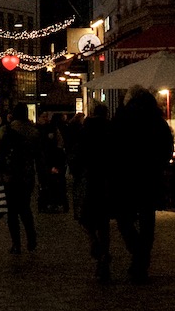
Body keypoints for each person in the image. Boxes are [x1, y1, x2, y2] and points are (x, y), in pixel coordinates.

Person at [110, 87, 174, 284]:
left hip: (126, 178)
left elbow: (112, 147)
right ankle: (142, 259)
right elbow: (167, 150)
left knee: (124, 219)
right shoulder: (158, 121)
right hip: (150, 178)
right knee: (148, 221)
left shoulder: (121, 119)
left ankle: (137, 252)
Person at [0, 104, 38, 254]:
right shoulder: (33, 132)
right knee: (25, 208)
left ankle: (16, 243)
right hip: (26, 175)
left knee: (11, 211)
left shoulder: (6, 130)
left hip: (9, 175)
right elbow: (39, 155)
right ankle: (31, 239)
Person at [73, 103, 113, 281]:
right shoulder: (111, 132)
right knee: (103, 222)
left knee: (85, 216)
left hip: (88, 179)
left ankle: (94, 242)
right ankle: (103, 254)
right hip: (105, 180)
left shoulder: (84, 131)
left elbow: (76, 156)